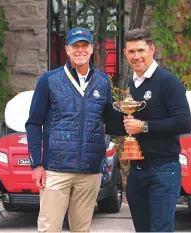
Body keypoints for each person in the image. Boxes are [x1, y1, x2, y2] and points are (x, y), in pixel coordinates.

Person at [25, 27, 124, 232]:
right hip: (56, 169)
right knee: (49, 228)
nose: (80, 50)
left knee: (82, 228)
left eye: (84, 45)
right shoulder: (49, 80)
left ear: (92, 49)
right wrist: (36, 164)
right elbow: (34, 123)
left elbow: (107, 118)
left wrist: (135, 119)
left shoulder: (103, 81)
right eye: (75, 46)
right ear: (67, 49)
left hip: (89, 170)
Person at [122, 28, 191, 232]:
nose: (136, 56)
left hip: (163, 171)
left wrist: (143, 126)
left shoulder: (168, 82)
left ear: (151, 49)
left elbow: (184, 123)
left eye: (141, 50)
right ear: (126, 53)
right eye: (131, 51)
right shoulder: (132, 84)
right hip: (137, 172)